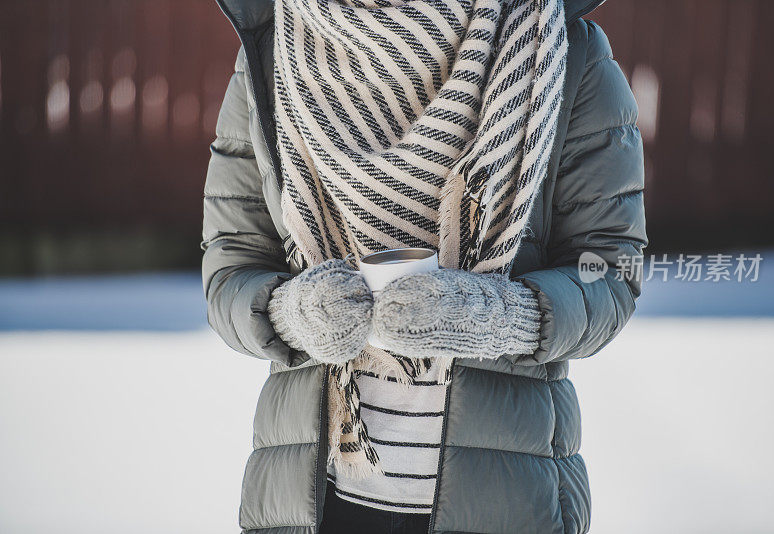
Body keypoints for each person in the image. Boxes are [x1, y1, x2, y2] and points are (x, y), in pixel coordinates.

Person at [201, 0, 647, 532]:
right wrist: (289, 313)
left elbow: (612, 268)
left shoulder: (560, 51)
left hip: (501, 500)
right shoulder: (276, 49)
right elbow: (230, 266)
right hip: (314, 498)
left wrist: (504, 317)